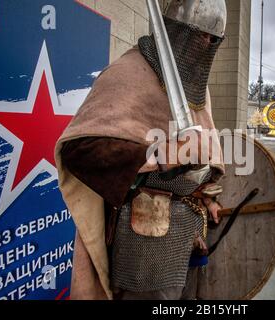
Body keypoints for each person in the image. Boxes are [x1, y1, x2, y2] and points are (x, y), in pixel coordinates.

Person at [54, 0, 227, 300]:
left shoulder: (196, 85)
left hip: (186, 231)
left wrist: (207, 195)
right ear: (175, 30)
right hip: (143, 241)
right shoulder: (127, 72)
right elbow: (79, 150)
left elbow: (203, 152)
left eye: (214, 39)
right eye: (199, 34)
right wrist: (160, 156)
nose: (207, 43)